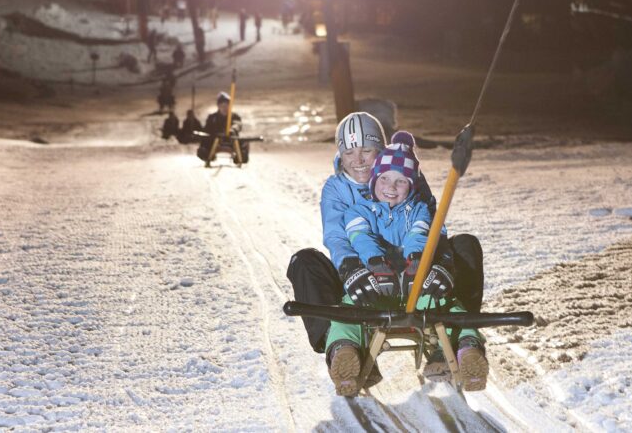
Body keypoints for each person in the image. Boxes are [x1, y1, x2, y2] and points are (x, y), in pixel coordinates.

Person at [285, 112, 484, 384]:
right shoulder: (336, 188)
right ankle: (345, 351)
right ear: (340, 154)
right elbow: (337, 236)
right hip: (363, 271)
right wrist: (352, 268)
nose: (358, 160)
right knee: (304, 261)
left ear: (381, 148)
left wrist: (442, 264)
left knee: (466, 245)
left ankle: (453, 343)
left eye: (367, 150)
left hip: (413, 269)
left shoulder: (404, 174)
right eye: (349, 152)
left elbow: (432, 225)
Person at [196, 92, 249, 164]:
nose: (225, 108)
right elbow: (207, 129)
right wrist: (216, 132)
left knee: (244, 142)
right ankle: (207, 155)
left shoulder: (235, 116)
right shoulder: (212, 118)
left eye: (227, 105)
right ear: (218, 106)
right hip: (215, 140)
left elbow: (237, 124)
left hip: (231, 140)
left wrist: (232, 130)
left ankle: (240, 157)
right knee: (204, 141)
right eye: (222, 106)